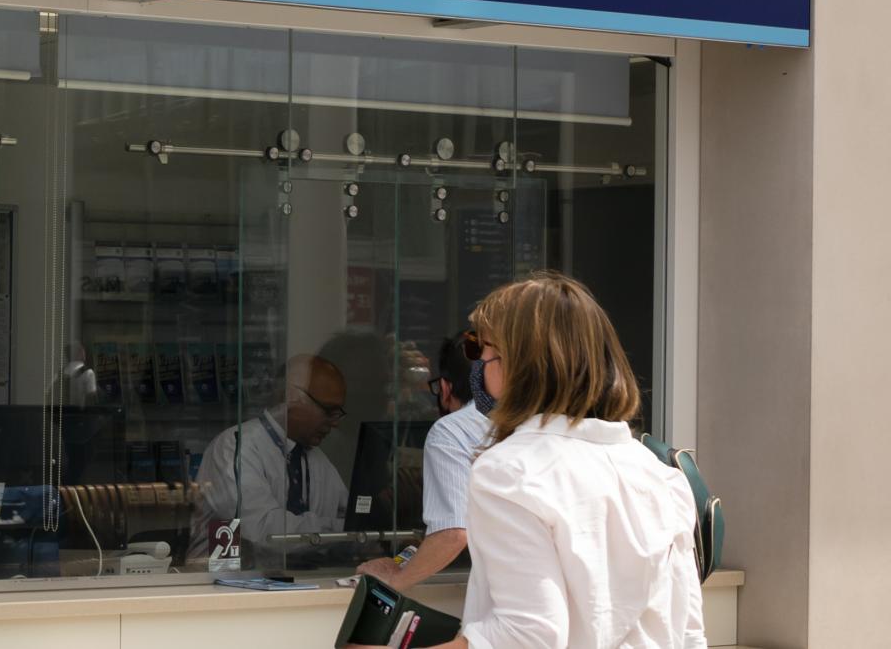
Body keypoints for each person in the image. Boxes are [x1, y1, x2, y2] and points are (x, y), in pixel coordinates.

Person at [377, 273, 704, 649]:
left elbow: (526, 634)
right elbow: (689, 631)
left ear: (521, 366)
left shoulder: (509, 472)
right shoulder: (657, 474)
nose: (478, 364)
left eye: (483, 350)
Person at [355, 333, 491, 591]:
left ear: (446, 388)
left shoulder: (451, 431)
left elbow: (453, 533)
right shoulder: (542, 423)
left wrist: (396, 579)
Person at [190, 354, 350, 562]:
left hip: (298, 583)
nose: (334, 422)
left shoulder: (317, 459)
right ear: (291, 397)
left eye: (338, 413)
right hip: (223, 584)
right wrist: (346, 529)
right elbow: (263, 532)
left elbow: (350, 516)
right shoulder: (237, 446)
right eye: (328, 411)